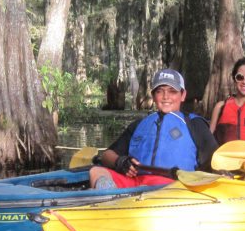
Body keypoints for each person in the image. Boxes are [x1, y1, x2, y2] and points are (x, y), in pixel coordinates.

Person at [89, 68, 218, 189]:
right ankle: (109, 200)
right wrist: (120, 161)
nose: (166, 96)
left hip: (174, 185)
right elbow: (107, 155)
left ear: (183, 95)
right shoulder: (139, 125)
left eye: (172, 91)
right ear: (153, 95)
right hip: (137, 183)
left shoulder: (194, 124)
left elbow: (215, 160)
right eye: (159, 91)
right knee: (96, 172)